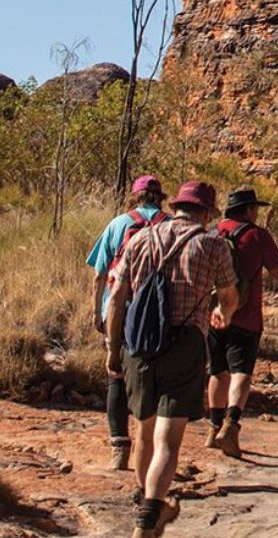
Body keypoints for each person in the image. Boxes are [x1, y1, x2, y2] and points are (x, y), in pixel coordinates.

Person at [105, 181, 238, 538]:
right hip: (185, 344)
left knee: (143, 431)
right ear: (208, 213)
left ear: (176, 206)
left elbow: (117, 296)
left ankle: (143, 502)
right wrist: (223, 314)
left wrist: (113, 347)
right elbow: (229, 295)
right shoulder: (213, 244)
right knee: (169, 438)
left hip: (139, 345)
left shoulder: (141, 238)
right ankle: (147, 519)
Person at [86, 175, 170, 470]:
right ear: (160, 197)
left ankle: (119, 448)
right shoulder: (170, 225)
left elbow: (99, 275)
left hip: (120, 308)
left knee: (116, 375)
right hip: (158, 313)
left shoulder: (117, 224)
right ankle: (155, 453)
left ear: (134, 196)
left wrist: (98, 313)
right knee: (158, 380)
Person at [206, 188, 278, 458]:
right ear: (248, 210)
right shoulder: (257, 235)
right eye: (255, 208)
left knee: (217, 370)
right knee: (241, 371)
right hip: (247, 315)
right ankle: (231, 423)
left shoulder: (213, 232)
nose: (257, 213)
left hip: (214, 314)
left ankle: (212, 425)